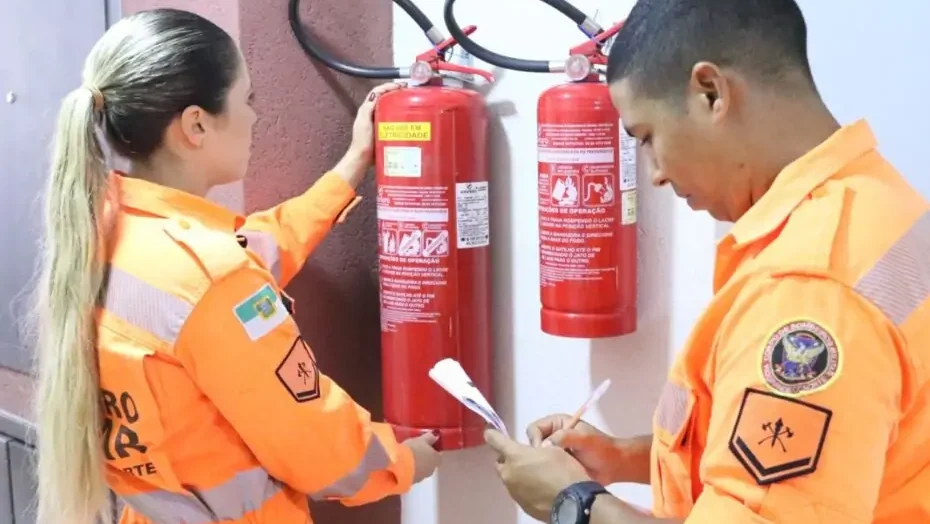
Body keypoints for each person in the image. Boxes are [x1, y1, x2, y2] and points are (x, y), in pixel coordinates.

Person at [484, 0, 930, 522]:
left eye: (647, 138)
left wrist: (574, 503)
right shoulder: (878, 201)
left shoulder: (807, 289)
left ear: (711, 93)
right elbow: (835, 450)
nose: (654, 174)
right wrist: (625, 457)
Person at [29, 8, 441, 524]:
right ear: (196, 124)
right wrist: (405, 460)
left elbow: (255, 249)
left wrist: (352, 164)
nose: (255, 116)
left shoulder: (107, 230)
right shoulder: (210, 277)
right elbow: (316, 447)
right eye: (246, 99)